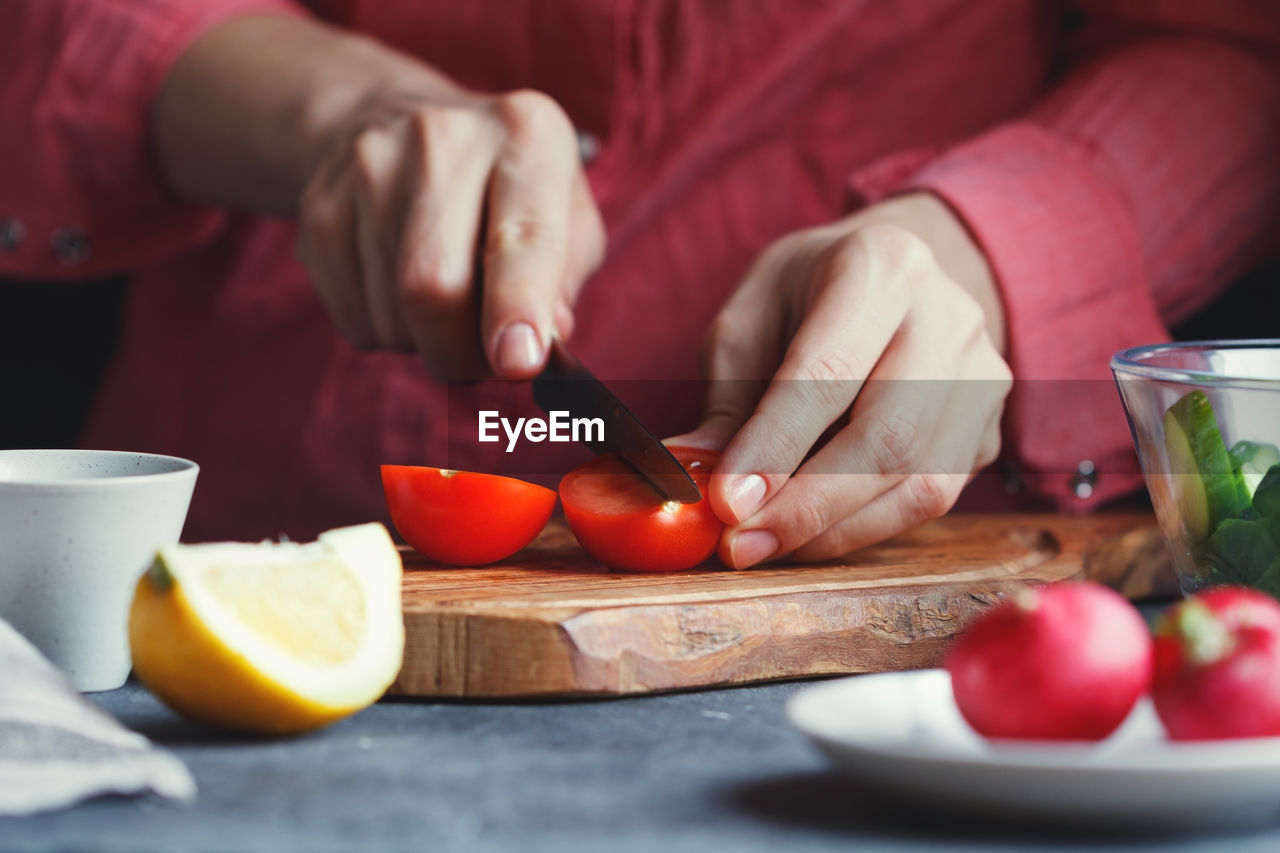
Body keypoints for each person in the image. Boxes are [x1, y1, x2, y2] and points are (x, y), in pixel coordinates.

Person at [1, 1, 1277, 567]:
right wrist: (333, 107)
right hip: (236, 530)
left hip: (902, 592)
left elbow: (1229, 41)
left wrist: (984, 243)